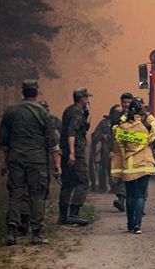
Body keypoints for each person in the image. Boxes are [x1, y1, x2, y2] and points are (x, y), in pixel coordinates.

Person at [0, 80, 60, 245]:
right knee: (37, 195)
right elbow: (52, 141)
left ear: (23, 91)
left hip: (16, 158)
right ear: (36, 92)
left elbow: (4, 140)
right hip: (37, 160)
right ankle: (36, 233)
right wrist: (56, 164)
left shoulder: (11, 111)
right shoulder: (43, 112)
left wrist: (5, 162)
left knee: (16, 194)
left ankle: (12, 231)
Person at [111, 97, 155, 233]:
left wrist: (126, 116)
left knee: (130, 195)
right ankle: (138, 225)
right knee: (140, 195)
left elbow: (114, 129)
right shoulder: (146, 127)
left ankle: (130, 224)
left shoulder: (122, 128)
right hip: (144, 165)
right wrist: (147, 115)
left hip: (129, 166)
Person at [59, 87, 93, 226]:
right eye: (86, 98)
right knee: (83, 182)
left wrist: (87, 115)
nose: (88, 100)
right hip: (75, 152)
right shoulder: (77, 112)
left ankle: (62, 216)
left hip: (66, 151)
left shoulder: (69, 110)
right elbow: (71, 132)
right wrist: (72, 153)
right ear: (82, 99)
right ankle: (74, 213)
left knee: (68, 182)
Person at [109, 92, 134, 210]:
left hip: (133, 151)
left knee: (132, 177)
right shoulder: (117, 116)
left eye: (129, 102)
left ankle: (135, 204)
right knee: (119, 176)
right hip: (119, 151)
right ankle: (121, 200)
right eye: (124, 102)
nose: (126, 104)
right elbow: (113, 131)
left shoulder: (136, 115)